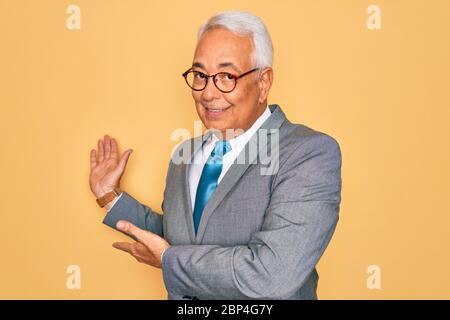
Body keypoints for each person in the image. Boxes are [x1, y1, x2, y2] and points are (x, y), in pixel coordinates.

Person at [89, 10, 342, 300]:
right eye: (200, 75)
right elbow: (182, 240)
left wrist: (170, 260)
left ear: (263, 83)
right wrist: (110, 196)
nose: (208, 93)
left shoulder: (308, 153)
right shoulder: (184, 154)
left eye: (226, 76)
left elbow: (273, 274)